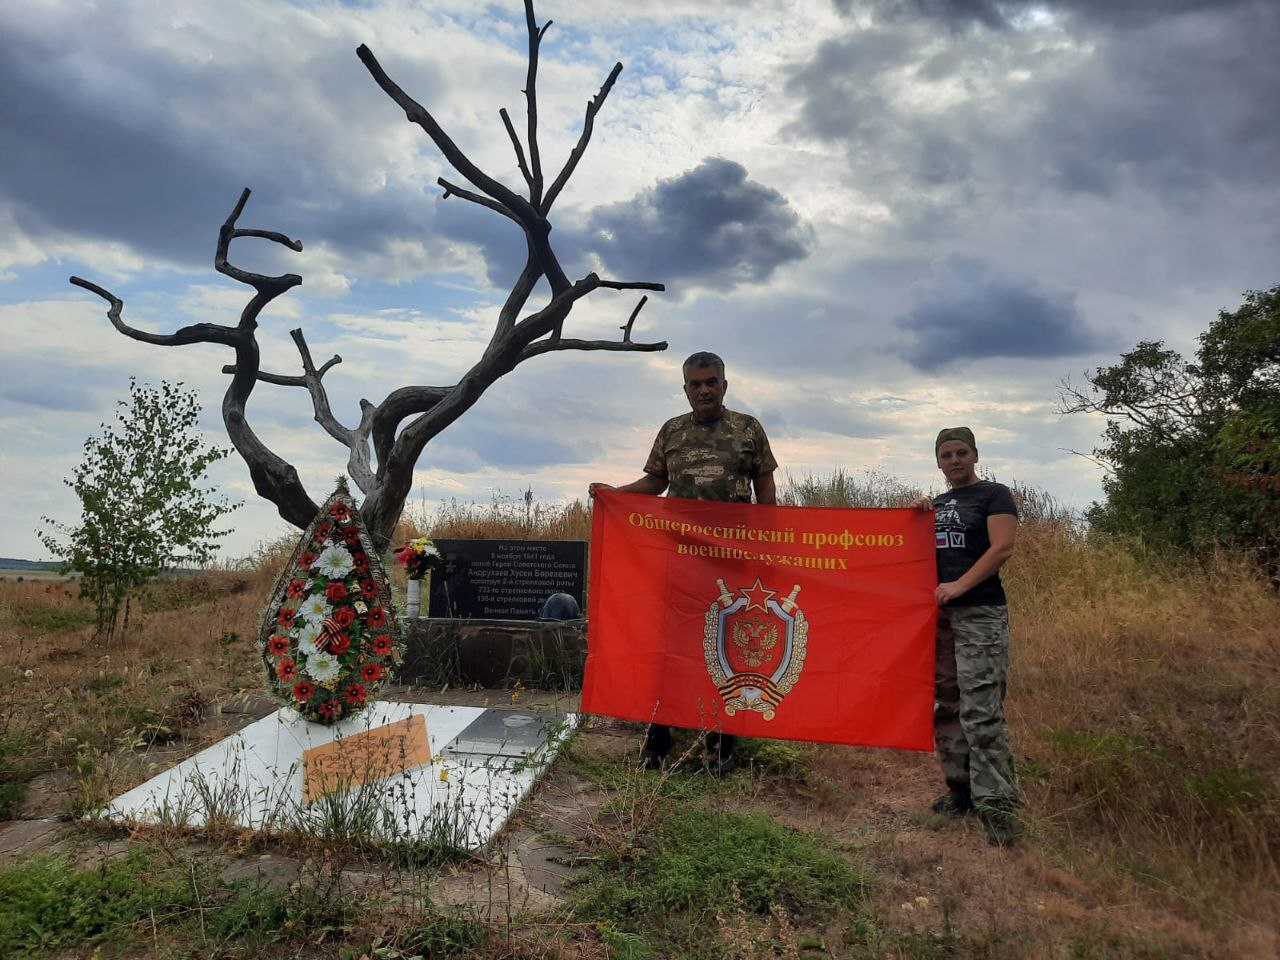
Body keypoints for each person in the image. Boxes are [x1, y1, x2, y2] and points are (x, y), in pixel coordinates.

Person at [589, 351, 778, 775]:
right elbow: (656, 483)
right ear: (686, 389)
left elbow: (766, 495)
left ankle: (721, 744)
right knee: (670, 652)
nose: (704, 390)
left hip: (733, 565)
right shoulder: (672, 430)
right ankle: (658, 740)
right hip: (679, 561)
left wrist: (767, 552)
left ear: (725, 386)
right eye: (696, 384)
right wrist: (613, 493)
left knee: (726, 652)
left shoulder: (748, 428)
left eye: (712, 382)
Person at [909, 427, 1020, 846]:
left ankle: (997, 805)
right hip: (939, 619)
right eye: (946, 454)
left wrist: (960, 585)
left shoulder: (994, 494)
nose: (954, 460)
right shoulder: (936, 505)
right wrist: (915, 516)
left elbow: (1002, 548)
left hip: (980, 614)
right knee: (948, 703)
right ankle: (960, 790)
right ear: (937, 461)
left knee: (982, 709)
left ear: (975, 455)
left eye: (961, 452)